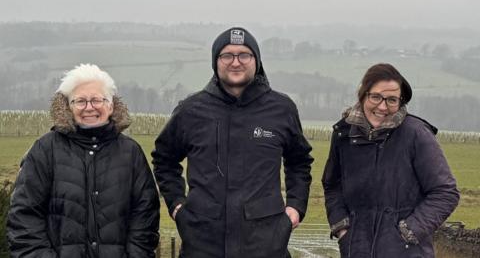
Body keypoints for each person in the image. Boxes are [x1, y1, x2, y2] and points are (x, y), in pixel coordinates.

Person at [152, 27, 314, 258]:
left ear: (256, 61)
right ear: (215, 62)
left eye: (244, 55)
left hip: (265, 243)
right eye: (227, 55)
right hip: (203, 242)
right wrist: (177, 205)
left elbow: (299, 161)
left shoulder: (281, 109)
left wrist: (295, 207)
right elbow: (164, 159)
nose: (235, 62)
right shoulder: (191, 110)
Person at [7, 64, 160, 258]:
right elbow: (24, 217)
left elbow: (145, 216)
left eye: (97, 99)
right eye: (80, 101)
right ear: (68, 107)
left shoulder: (131, 153)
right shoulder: (45, 150)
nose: (89, 107)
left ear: (111, 105)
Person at [322, 63, 460, 258]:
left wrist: (407, 232)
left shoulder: (416, 134)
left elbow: (445, 192)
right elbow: (332, 185)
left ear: (401, 102)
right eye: (376, 97)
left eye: (392, 100)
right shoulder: (344, 134)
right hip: (356, 250)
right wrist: (343, 229)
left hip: (405, 252)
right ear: (363, 94)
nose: (383, 107)